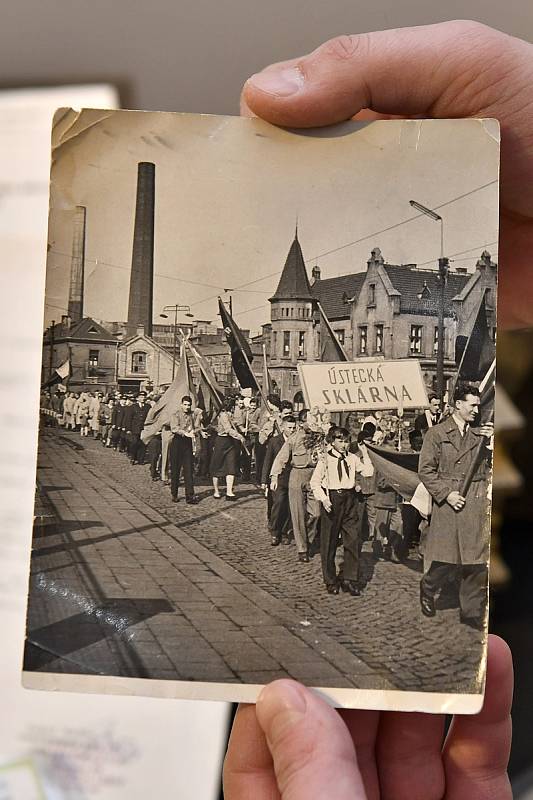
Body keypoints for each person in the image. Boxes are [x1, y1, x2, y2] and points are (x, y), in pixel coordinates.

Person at [225, 18, 529, 796]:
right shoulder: (325, 416)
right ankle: (335, 574)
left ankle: (387, 579)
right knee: (333, 533)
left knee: (385, 541)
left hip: (387, 496)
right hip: (330, 489)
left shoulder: (436, 380)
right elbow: (393, 457)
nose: (462, 408)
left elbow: (413, 462)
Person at [418, 384, 493, 628]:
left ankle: (471, 611)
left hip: (474, 500)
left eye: (478, 405)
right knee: (446, 559)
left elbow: (487, 468)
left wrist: (491, 444)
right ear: (458, 404)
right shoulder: (437, 434)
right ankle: (428, 588)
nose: (476, 410)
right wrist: (447, 494)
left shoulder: (479, 436)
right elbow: (426, 471)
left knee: (476, 559)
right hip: (449, 501)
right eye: (471, 405)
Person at [310, 426, 362, 596]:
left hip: (350, 499)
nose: (344, 445)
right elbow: (315, 483)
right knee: (329, 542)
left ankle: (349, 578)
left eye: (347, 441)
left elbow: (367, 471)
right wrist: (324, 500)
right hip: (332, 499)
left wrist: (366, 453)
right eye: (340, 441)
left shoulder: (353, 458)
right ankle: (330, 579)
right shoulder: (324, 460)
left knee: (352, 540)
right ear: (332, 442)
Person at [270, 409, 321, 563]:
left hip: (314, 476)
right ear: (302, 422)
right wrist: (274, 477)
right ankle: (302, 549)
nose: (313, 424)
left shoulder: (319, 439)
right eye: (311, 421)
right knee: (298, 513)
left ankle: (308, 540)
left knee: (316, 513)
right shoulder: (294, 438)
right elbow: (281, 458)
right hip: (297, 475)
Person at [261, 415, 296, 546]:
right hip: (278, 477)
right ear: (283, 427)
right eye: (289, 427)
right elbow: (268, 460)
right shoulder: (275, 441)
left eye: (294, 427)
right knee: (279, 503)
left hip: (292, 477)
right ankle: (274, 531)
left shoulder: (297, 440)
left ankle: (284, 532)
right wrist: (265, 480)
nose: (292, 430)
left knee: (288, 506)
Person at [211, 396, 245, 500]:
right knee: (217, 467)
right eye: (234, 405)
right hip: (221, 442)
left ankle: (229, 492)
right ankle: (216, 491)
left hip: (230, 443)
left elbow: (235, 423)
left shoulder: (230, 415)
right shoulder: (223, 415)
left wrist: (241, 428)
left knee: (231, 466)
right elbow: (228, 429)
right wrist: (239, 436)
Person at [169, 395, 200, 504]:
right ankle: (174, 493)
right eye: (185, 404)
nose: (187, 407)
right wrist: (185, 433)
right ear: (181, 404)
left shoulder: (192, 415)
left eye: (189, 405)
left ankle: (190, 496)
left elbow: (196, 426)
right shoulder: (176, 414)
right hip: (177, 443)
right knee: (175, 470)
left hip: (188, 444)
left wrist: (196, 431)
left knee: (188, 470)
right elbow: (174, 428)